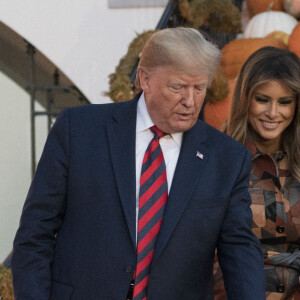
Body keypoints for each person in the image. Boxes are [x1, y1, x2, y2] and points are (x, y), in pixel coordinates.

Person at [11, 27, 265, 300]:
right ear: (145, 78)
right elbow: (35, 236)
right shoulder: (78, 131)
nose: (190, 101)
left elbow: (239, 250)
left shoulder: (227, 157)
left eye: (200, 88)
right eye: (178, 87)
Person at [214, 46, 300, 300]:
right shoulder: (220, 160)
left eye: (285, 102)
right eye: (263, 99)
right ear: (245, 98)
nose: (273, 113)